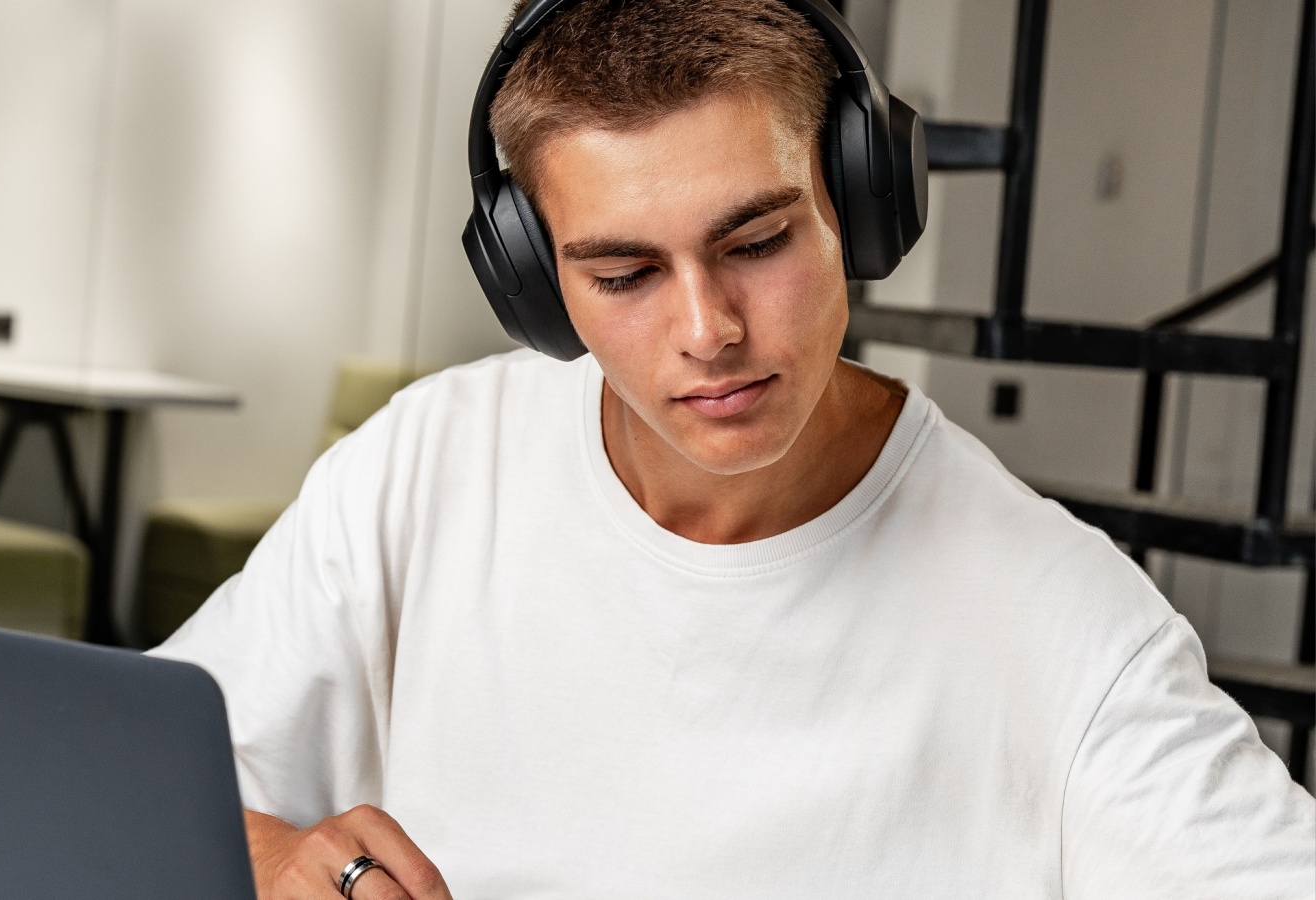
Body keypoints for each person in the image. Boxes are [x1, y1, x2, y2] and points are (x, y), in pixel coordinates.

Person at [152, 1, 1316, 897]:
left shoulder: (1067, 628)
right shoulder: (425, 467)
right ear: (533, 280)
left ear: (857, 203)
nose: (707, 331)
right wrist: (280, 861)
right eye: (623, 275)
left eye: (755, 241)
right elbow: (136, 775)